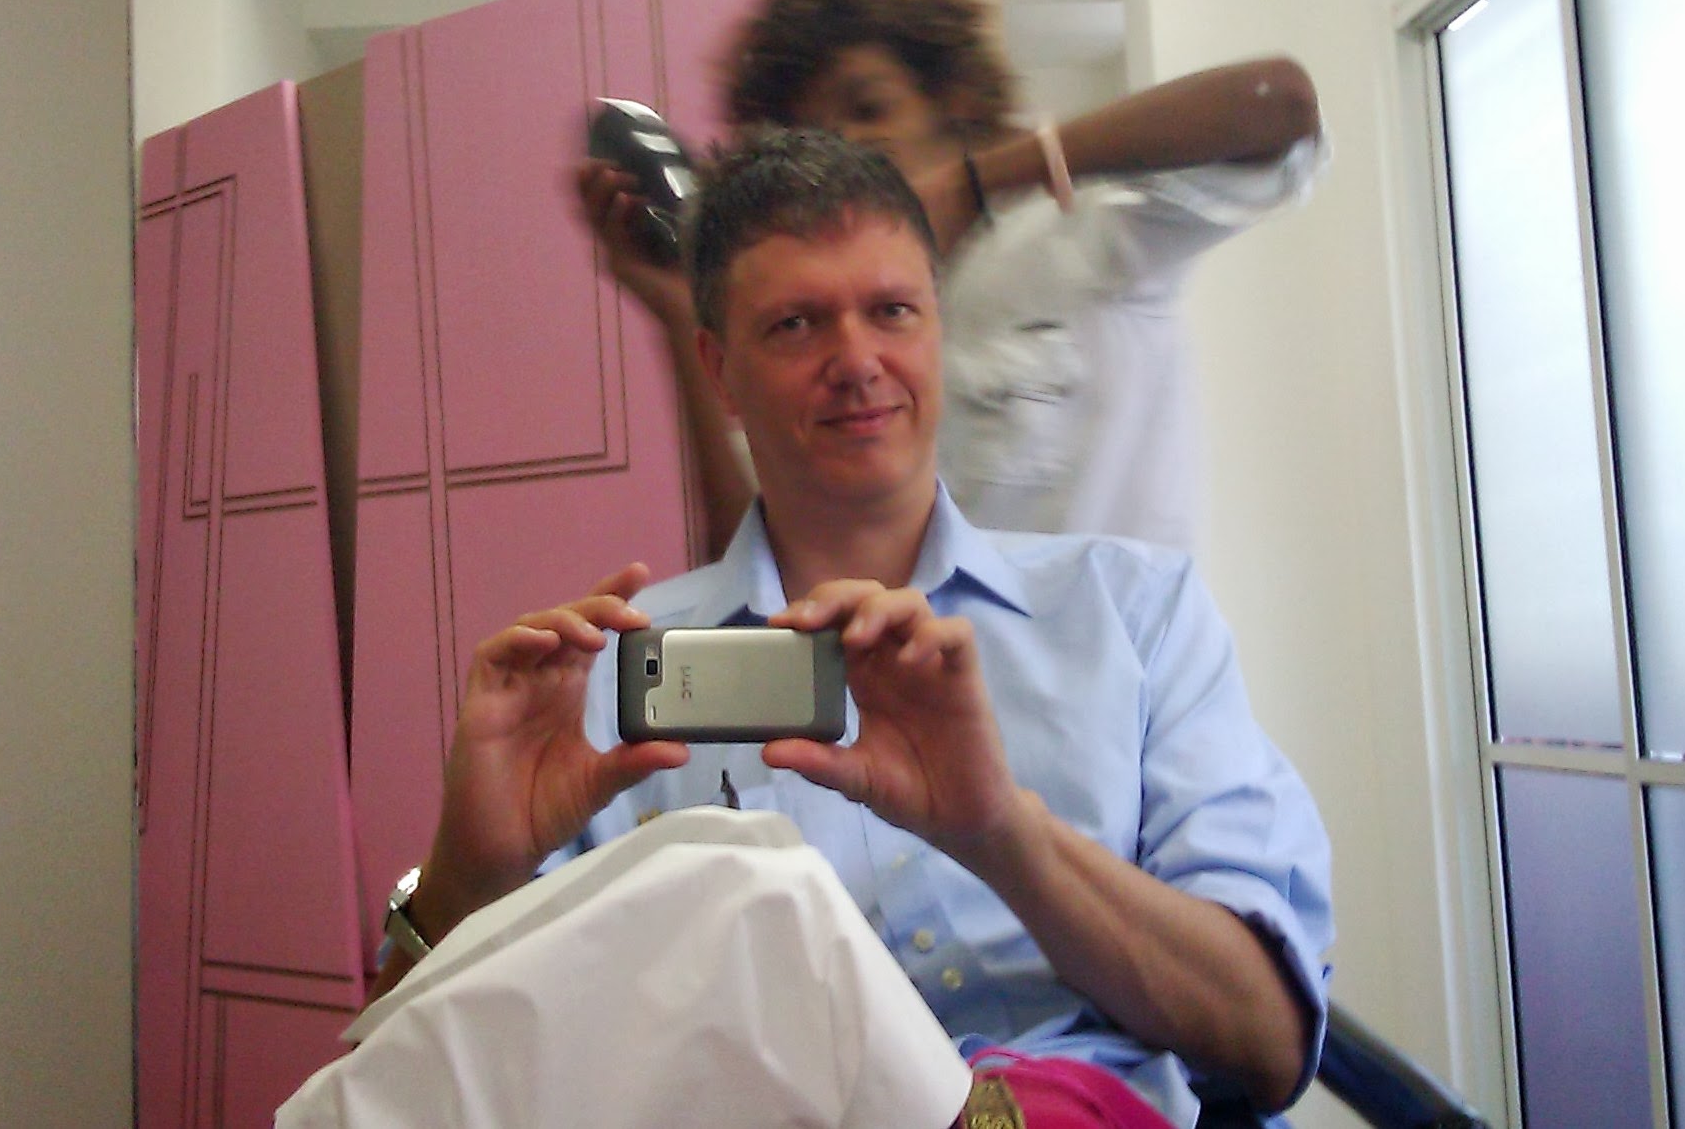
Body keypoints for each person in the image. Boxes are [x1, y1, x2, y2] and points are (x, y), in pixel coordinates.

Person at [369, 129, 1332, 1128]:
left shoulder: (1134, 613)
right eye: (795, 325)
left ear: (937, 331)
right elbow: (392, 1091)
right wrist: (467, 872)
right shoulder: (602, 680)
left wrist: (1002, 834)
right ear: (719, 371)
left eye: (892, 312)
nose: (858, 361)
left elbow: (1265, 1042)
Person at [580, 0, 1327, 556]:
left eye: (870, 108)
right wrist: (679, 312)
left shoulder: (1078, 237)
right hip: (928, 696)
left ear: (956, 98)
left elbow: (1280, 103)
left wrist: (979, 178)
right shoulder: (837, 335)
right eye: (822, 137)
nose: (855, 146)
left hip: (1130, 690)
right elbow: (749, 573)